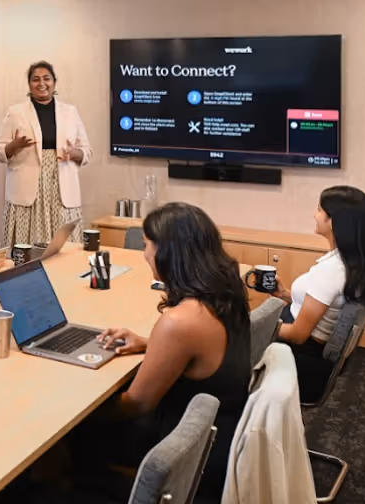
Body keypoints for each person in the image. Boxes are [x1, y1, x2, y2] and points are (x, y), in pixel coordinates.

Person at [62, 203, 251, 499]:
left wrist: (75, 411)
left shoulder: (180, 321)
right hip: (218, 434)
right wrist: (151, 344)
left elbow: (135, 405)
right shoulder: (226, 292)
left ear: (168, 252)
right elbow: (203, 349)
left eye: (146, 245)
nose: (144, 254)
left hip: (182, 451)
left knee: (72, 433)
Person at [272, 185, 365, 403]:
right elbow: (327, 306)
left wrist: (259, 326)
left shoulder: (331, 271)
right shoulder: (354, 262)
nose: (314, 215)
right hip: (311, 354)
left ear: (334, 221)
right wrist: (286, 295)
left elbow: (298, 335)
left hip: (298, 361)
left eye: (319, 209)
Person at [0, 61, 92, 249]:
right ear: (29, 84)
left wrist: (73, 153)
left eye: (46, 78)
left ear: (54, 82)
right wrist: (13, 146)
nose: (41, 83)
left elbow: (87, 152)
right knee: (26, 253)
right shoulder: (16, 113)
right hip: (27, 195)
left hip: (62, 192)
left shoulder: (70, 112)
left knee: (65, 252)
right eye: (35, 79)